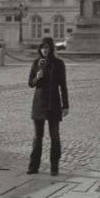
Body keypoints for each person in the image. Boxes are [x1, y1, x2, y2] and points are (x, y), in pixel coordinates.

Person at [27, 37, 69, 176]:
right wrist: (37, 77)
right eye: (42, 47)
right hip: (39, 103)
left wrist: (65, 105)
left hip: (54, 103)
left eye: (47, 47)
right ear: (40, 49)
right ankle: (33, 166)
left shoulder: (58, 64)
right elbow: (30, 83)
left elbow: (63, 86)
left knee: (54, 136)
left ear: (51, 49)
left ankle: (54, 167)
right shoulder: (36, 63)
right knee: (37, 137)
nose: (44, 50)